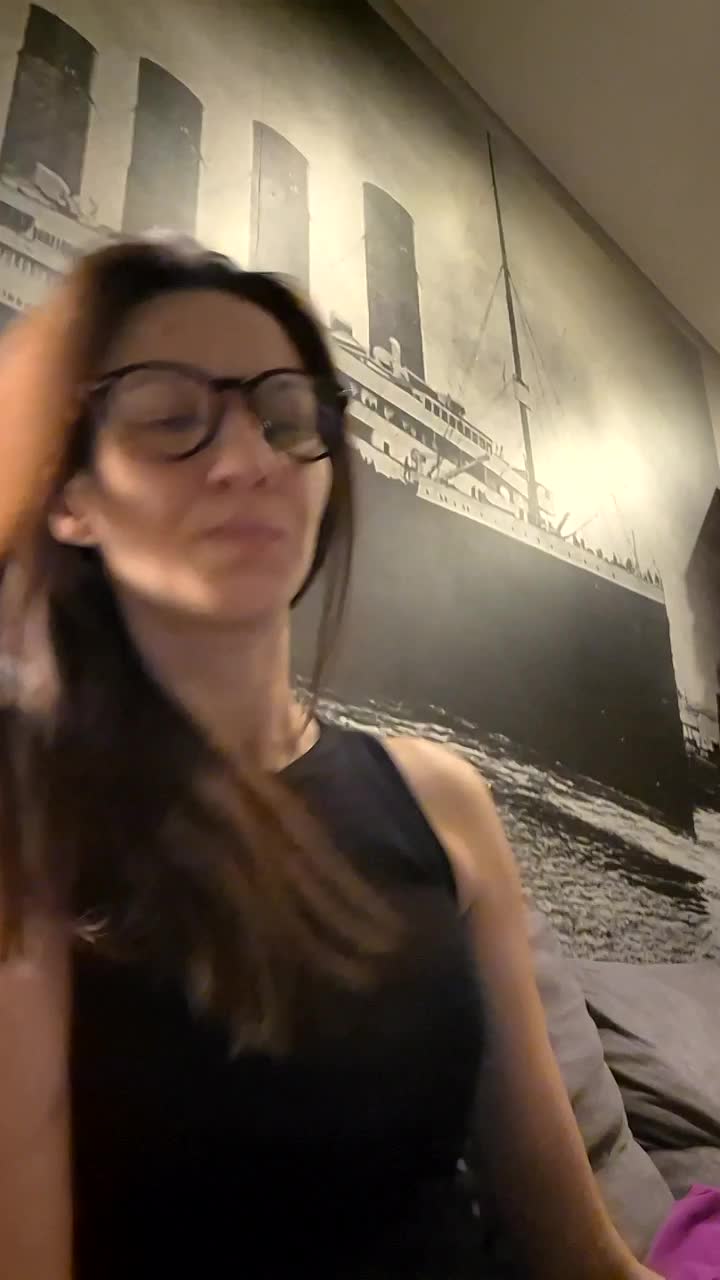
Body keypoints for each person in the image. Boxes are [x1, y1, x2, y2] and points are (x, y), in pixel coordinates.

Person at [0, 236, 658, 1279]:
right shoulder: (30, 808)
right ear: (69, 498)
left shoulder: (441, 798)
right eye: (170, 417)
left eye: (285, 416)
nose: (249, 459)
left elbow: (582, 1254)